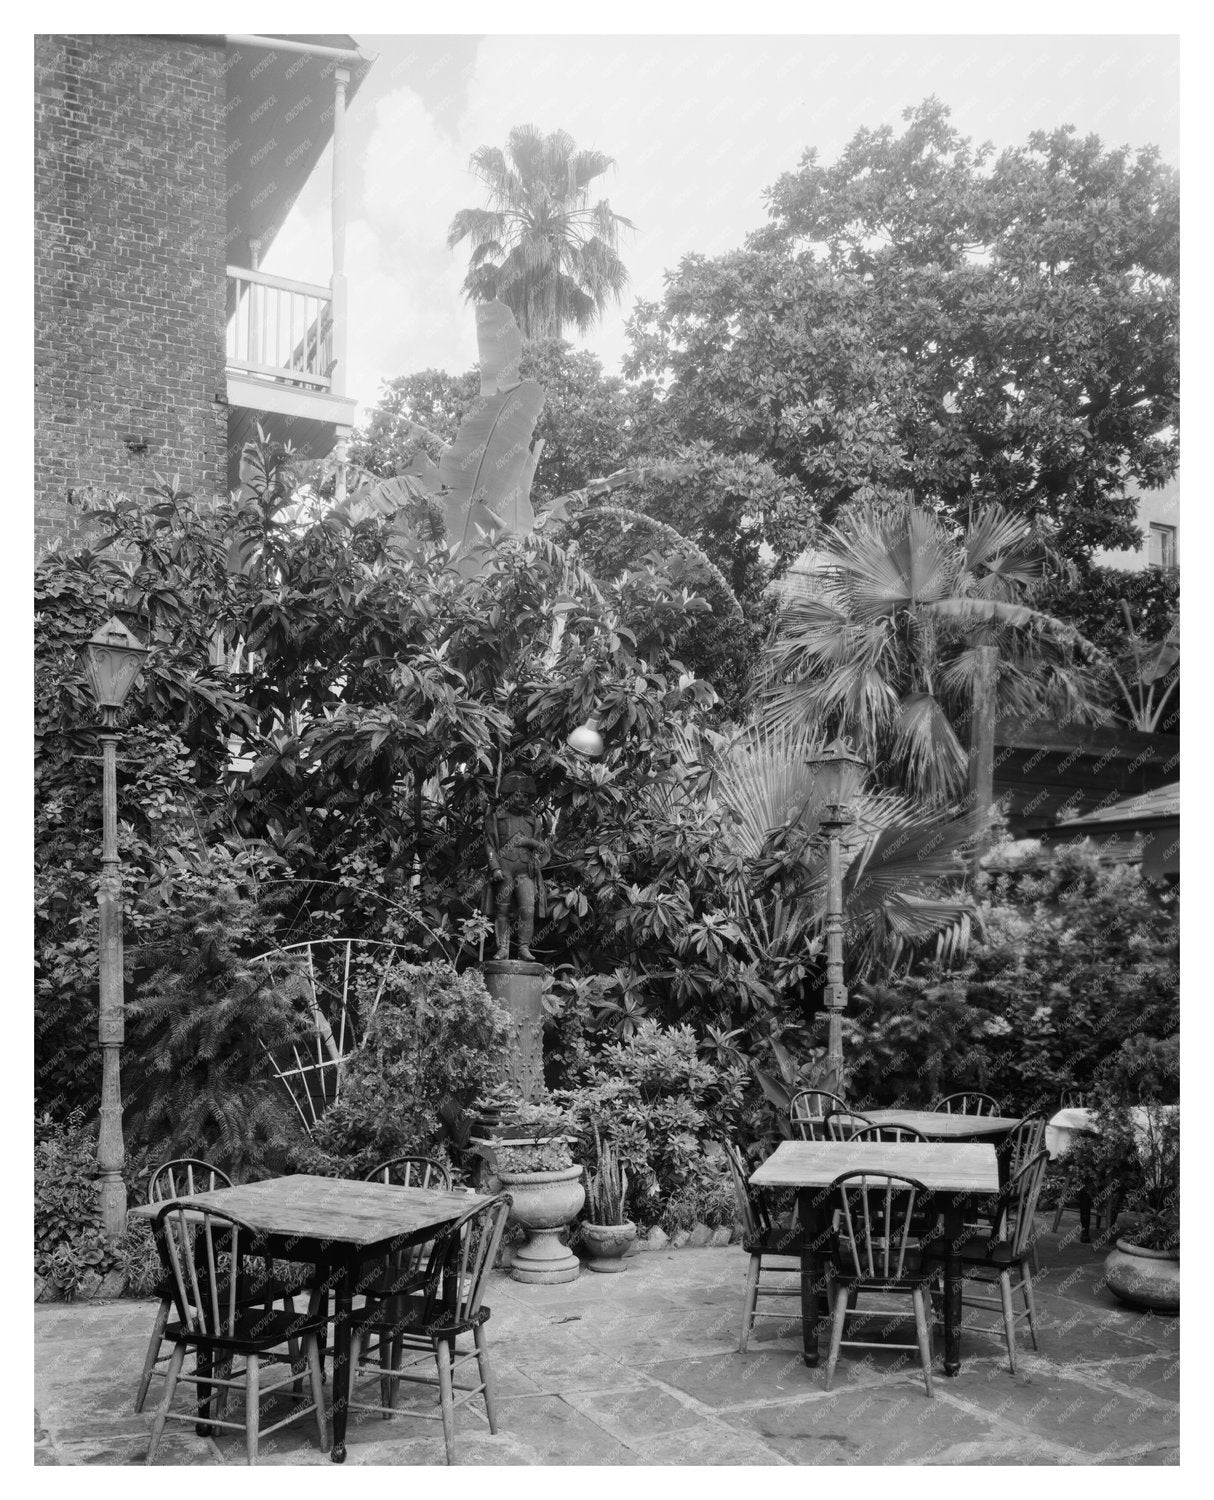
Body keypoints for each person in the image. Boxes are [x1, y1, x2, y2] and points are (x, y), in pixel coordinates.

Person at [483, 771, 548, 961]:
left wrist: (529, 842)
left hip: (525, 870)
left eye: (526, 796)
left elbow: (542, 848)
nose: (523, 799)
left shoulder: (532, 820)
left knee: (527, 909)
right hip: (504, 869)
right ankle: (502, 948)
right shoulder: (496, 817)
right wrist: (494, 867)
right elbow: (489, 843)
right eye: (518, 795)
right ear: (509, 796)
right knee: (501, 910)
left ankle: (524, 948)